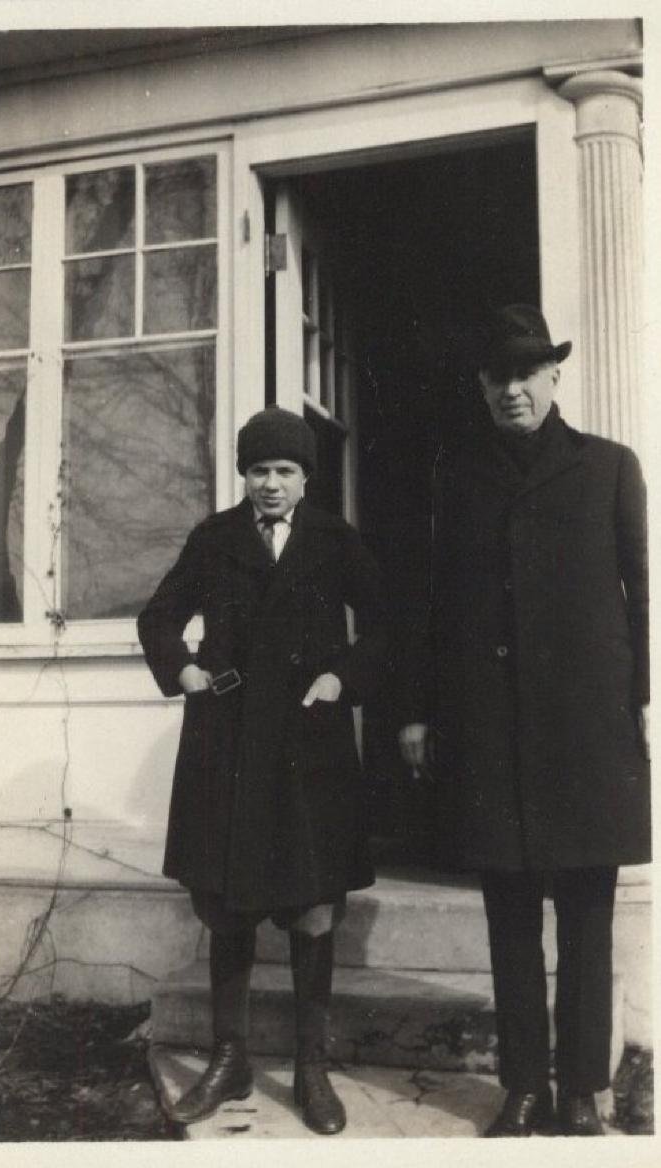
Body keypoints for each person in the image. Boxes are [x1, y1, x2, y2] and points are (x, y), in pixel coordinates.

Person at [398, 305, 650, 1137]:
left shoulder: (610, 468)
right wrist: (421, 713)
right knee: (508, 915)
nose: (512, 388)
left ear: (554, 377)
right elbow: (433, 607)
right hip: (491, 733)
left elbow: (642, 596)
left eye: (526, 372)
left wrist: (639, 707)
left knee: (586, 912)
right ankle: (524, 1086)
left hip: (587, 734)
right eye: (497, 375)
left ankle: (580, 1089)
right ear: (482, 386)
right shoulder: (456, 476)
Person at [138, 406, 387, 1135]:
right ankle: (230, 1057)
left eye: (284, 470)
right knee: (228, 901)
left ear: (306, 476)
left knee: (313, 907)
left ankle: (311, 1067)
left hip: (311, 745)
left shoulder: (336, 541)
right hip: (230, 743)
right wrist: (182, 668)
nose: (270, 484)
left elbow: (382, 628)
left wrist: (342, 679)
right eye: (258, 470)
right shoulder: (214, 540)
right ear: (242, 475)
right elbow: (159, 617)